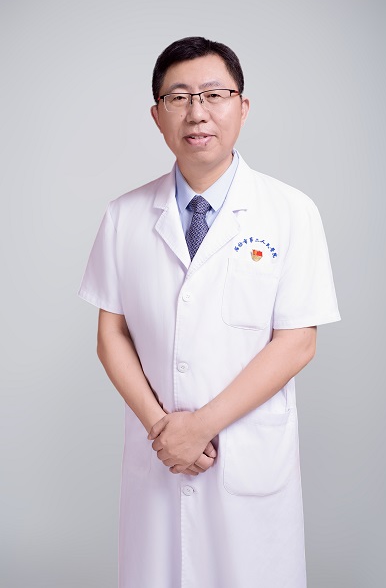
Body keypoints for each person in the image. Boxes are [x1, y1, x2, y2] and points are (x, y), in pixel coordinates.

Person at [79, 36, 340, 588]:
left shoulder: (291, 212)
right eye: (178, 98)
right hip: (160, 458)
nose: (197, 112)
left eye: (214, 94)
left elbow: (298, 341)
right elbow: (111, 335)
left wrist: (199, 427)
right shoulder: (124, 216)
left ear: (242, 107)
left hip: (247, 459)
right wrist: (163, 430)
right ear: (157, 116)